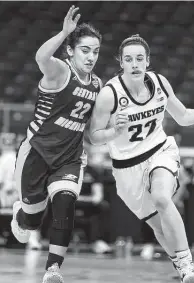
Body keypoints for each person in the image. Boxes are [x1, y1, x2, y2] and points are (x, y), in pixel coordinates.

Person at [90, 34, 194, 283]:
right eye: (128, 59)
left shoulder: (159, 83)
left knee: (161, 197)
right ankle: (181, 267)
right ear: (121, 63)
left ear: (148, 61)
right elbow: (94, 136)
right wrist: (114, 131)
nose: (134, 64)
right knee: (158, 227)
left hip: (160, 150)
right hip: (126, 167)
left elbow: (183, 116)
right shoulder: (109, 94)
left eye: (139, 58)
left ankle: (189, 267)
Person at [11, 6, 102, 283]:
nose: (91, 56)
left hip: (69, 158)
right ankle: (21, 215)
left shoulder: (97, 84)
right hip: (36, 153)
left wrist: (115, 129)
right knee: (33, 220)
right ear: (71, 51)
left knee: (65, 204)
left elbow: (93, 132)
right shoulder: (60, 71)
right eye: (85, 50)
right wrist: (64, 32)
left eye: (96, 51)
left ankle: (53, 269)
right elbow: (40, 57)